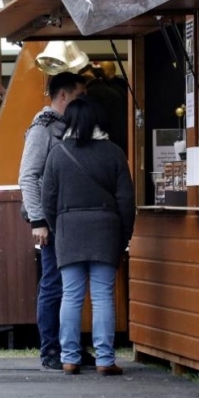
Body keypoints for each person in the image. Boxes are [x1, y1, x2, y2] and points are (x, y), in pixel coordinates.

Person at [41, 97, 135, 375]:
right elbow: (126, 201)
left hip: (69, 228)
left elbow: (48, 199)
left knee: (71, 295)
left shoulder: (58, 153)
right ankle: (105, 360)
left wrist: (59, 228)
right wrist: (124, 235)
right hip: (106, 229)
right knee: (103, 296)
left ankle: (69, 357)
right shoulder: (114, 152)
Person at [18, 71, 87, 371]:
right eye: (78, 96)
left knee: (71, 285)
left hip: (70, 216)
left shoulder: (67, 126)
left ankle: (70, 348)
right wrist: (38, 220)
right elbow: (28, 175)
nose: (83, 102)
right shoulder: (42, 129)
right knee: (54, 283)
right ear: (63, 96)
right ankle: (50, 349)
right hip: (51, 219)